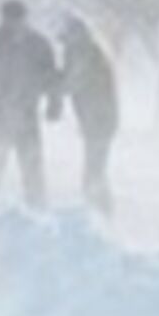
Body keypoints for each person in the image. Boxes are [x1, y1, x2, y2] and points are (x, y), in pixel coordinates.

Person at [0, 0, 61, 207]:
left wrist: (54, 103)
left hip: (27, 113)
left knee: (31, 166)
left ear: (25, 19)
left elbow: (50, 76)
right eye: (8, 19)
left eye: (17, 19)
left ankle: (38, 208)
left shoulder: (40, 44)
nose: (12, 24)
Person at [58, 15, 120, 214]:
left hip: (99, 119)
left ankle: (100, 213)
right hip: (98, 118)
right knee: (95, 169)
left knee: (94, 172)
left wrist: (48, 85)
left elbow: (72, 82)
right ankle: (100, 210)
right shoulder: (88, 50)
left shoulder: (83, 51)